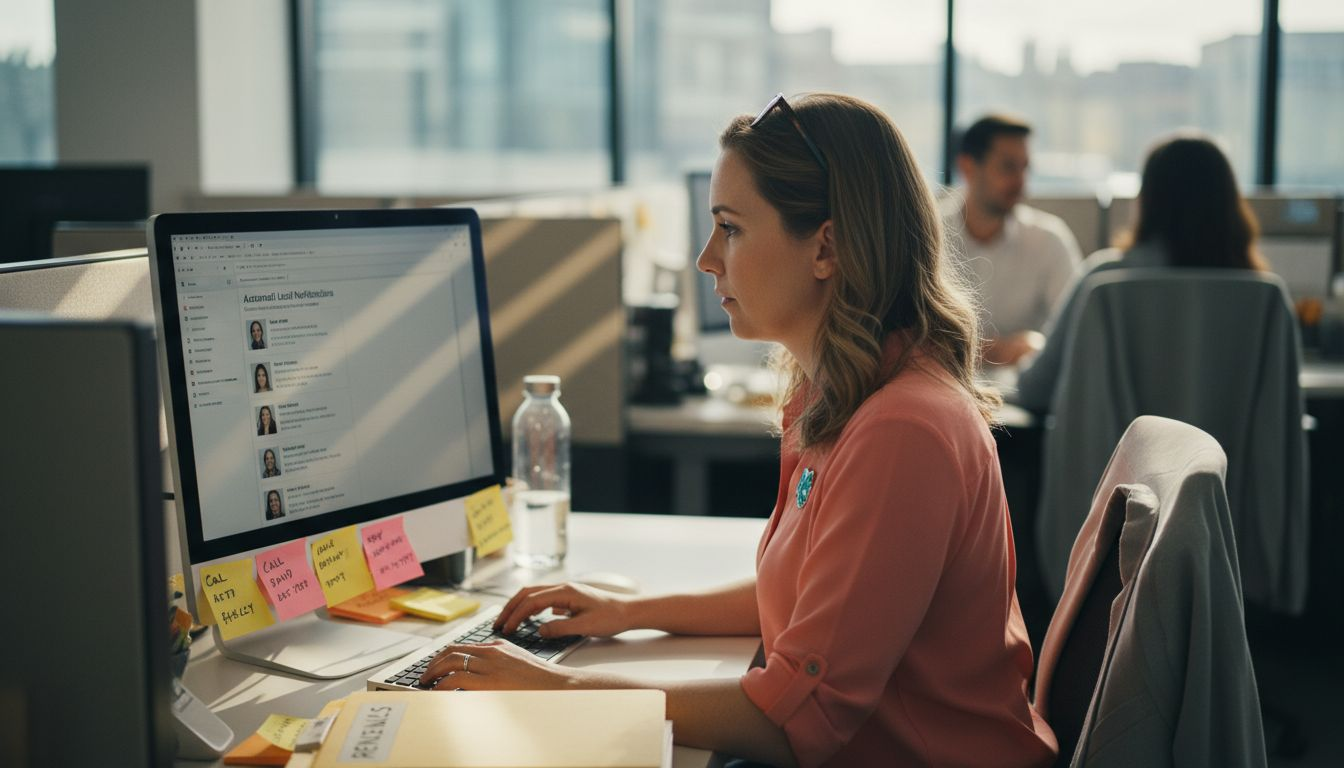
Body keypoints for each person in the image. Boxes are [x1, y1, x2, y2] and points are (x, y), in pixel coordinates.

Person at [417, 94, 1056, 767]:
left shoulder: (902, 430)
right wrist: (629, 611)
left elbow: (799, 716)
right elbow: (825, 601)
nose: (705, 259)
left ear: (827, 247)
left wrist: (559, 689)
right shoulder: (844, 393)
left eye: (729, 228)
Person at [1015, 132, 1267, 412]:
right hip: (1228, 456)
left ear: (1148, 199)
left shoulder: (1105, 280)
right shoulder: (1263, 294)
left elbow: (1036, 390)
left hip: (1119, 456)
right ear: (1230, 203)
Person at [943, 114, 1082, 365]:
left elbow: (1076, 332)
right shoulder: (927, 236)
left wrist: (1034, 345)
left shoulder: (1048, 240)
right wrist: (996, 350)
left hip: (1026, 393)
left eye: (1025, 168)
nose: (1021, 183)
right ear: (967, 166)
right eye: (1008, 167)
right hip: (943, 389)